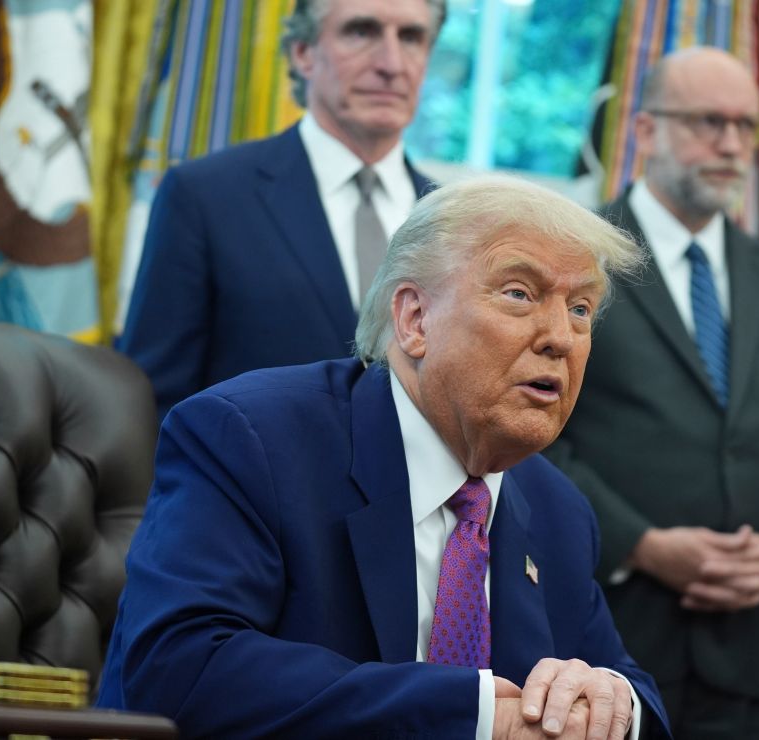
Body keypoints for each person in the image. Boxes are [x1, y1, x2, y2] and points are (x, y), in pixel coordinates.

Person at [96, 175, 672, 739]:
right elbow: (178, 669)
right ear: (415, 319)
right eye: (519, 294)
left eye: (581, 309)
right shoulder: (252, 438)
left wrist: (612, 704)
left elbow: (635, 692)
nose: (561, 337)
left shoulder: (558, 509)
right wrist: (471, 716)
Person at [543, 47, 759, 739]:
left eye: (746, 126)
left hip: (752, 657)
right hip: (606, 650)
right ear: (645, 130)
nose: (732, 145)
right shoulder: (572, 260)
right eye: (709, 122)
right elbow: (536, 440)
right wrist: (641, 545)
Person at [119, 0, 443, 419]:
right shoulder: (205, 195)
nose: (391, 64)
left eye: (411, 37)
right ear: (303, 52)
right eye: (361, 32)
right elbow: (152, 401)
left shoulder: (454, 222)